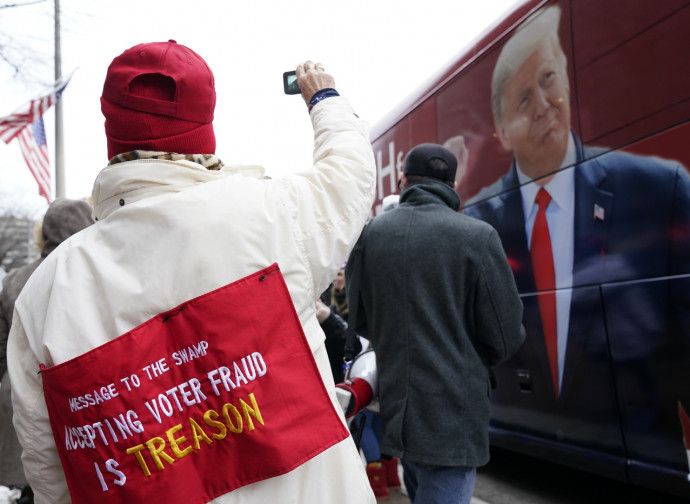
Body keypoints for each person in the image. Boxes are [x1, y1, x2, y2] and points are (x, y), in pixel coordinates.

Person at [8, 40, 376, 503]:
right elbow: (350, 176)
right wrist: (325, 100)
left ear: (112, 130)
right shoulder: (270, 215)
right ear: (204, 123)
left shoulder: (47, 290)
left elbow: (48, 460)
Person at [464, 5, 690, 474]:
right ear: (502, 133)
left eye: (548, 79)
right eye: (524, 99)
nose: (544, 103)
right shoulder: (476, 226)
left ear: (568, 80)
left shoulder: (661, 188)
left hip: (649, 463)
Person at [346, 143, 525, 504]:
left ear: (403, 180)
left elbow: (362, 320)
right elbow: (505, 337)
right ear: (452, 185)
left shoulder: (369, 236)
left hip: (400, 411)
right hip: (455, 418)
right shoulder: (478, 237)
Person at [0, 198, 93, 496]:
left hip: (19, 389)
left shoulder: (14, 280)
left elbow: (2, 350)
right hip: (78, 391)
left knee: (29, 483)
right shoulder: (91, 273)